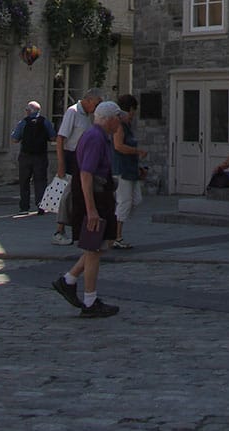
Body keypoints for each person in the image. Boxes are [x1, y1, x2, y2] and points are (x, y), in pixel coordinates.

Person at [50, 100, 123, 317]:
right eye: (118, 117)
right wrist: (91, 209)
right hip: (94, 198)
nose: (120, 120)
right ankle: (90, 302)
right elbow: (86, 173)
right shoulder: (94, 137)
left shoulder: (101, 137)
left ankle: (68, 280)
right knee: (93, 249)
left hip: (101, 195)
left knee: (101, 244)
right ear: (109, 119)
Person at [52, 87, 103, 244]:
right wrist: (61, 164)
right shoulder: (73, 112)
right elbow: (61, 138)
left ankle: (82, 228)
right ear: (88, 100)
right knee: (67, 194)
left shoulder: (89, 115)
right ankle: (59, 231)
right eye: (96, 103)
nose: (97, 107)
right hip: (72, 156)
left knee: (82, 193)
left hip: (84, 157)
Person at [111, 93, 146, 247]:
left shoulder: (127, 126)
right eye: (132, 112)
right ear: (129, 110)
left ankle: (114, 224)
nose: (133, 115)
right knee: (124, 201)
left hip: (131, 168)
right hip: (122, 169)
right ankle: (116, 236)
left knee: (136, 199)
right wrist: (137, 152)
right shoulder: (119, 126)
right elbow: (118, 146)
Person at [11, 100, 57, 212]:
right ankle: (41, 205)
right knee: (40, 180)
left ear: (28, 111)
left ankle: (24, 206)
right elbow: (53, 137)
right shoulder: (45, 122)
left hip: (25, 155)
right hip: (40, 155)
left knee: (24, 181)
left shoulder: (23, 122)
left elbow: (15, 139)